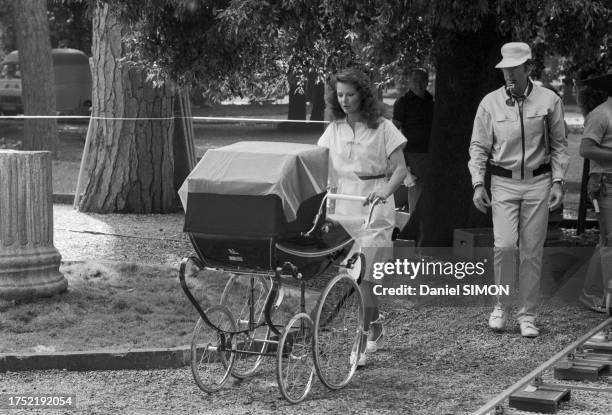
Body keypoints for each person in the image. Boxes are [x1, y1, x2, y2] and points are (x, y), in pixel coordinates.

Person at [468, 42, 568, 338]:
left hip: (538, 181)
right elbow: (478, 147)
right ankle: (500, 306)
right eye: (505, 70)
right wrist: (477, 183)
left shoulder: (550, 100)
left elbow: (561, 145)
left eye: (514, 69)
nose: (509, 75)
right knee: (505, 246)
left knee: (531, 252)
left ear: (527, 68)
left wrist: (558, 181)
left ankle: (528, 315)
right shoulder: (490, 103)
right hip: (503, 182)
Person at [317, 67, 408, 366]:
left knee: (363, 279)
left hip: (376, 209)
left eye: (350, 94)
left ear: (363, 95)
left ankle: (360, 339)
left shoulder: (383, 127)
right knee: (357, 278)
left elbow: (400, 170)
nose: (344, 100)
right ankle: (376, 325)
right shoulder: (334, 129)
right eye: (340, 94)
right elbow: (318, 165)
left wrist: (384, 190)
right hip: (345, 209)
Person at [577, 74, 612, 313]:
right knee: (609, 241)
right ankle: (601, 296)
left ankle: (595, 293)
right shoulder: (601, 114)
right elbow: (585, 149)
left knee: (607, 241)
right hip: (607, 185)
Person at [392, 68, 434, 215]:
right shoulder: (402, 103)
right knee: (416, 189)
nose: (419, 84)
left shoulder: (432, 102)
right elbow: (394, 132)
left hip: (432, 153)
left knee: (431, 190)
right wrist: (401, 159)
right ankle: (414, 223)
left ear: (427, 82)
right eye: (415, 80)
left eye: (422, 80)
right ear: (409, 82)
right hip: (412, 154)